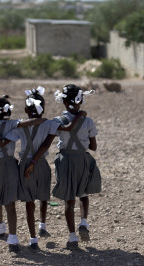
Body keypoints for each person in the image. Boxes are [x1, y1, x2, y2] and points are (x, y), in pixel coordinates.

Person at [0, 87, 87, 250]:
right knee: (43, 198)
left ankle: (33, 239)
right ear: (44, 108)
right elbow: (66, 130)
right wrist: (80, 114)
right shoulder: (50, 124)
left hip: (24, 166)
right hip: (41, 165)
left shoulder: (20, 126)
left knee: (29, 203)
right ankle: (43, 224)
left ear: (26, 110)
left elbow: (3, 142)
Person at [25, 84, 101, 250]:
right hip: (82, 160)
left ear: (64, 102)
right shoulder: (88, 121)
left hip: (65, 161)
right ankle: (83, 222)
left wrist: (34, 160)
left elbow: (47, 143)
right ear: (81, 101)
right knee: (83, 193)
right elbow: (93, 147)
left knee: (69, 199)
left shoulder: (57, 121)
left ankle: (72, 238)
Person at [0, 95, 46, 253]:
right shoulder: (14, 124)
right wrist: (40, 119)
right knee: (10, 203)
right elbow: (29, 122)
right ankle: (13, 238)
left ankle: (0, 226)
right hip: (11, 166)